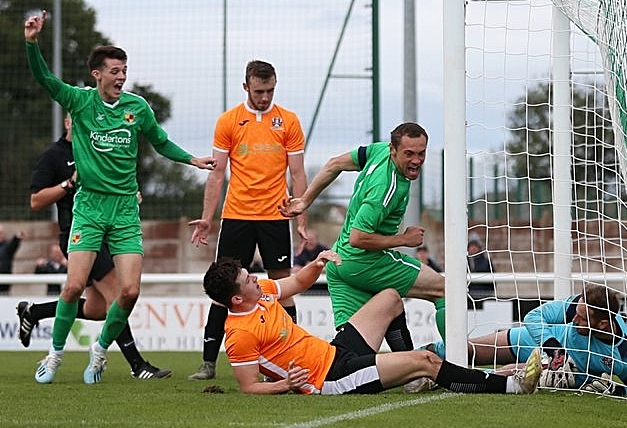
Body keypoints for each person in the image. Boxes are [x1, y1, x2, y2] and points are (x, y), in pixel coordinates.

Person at [25, 10, 215, 385]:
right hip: (91, 206)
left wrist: (192, 158)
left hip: (126, 208)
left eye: (124, 70)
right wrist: (32, 43)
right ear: (97, 74)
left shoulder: (137, 108)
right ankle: (55, 354)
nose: (121, 76)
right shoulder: (79, 101)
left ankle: (99, 352)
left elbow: (160, 142)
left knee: (129, 292)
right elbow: (45, 78)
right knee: (74, 286)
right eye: (114, 70)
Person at [201, 253, 543, 395]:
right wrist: (285, 384)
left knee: (391, 297)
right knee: (426, 361)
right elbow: (248, 387)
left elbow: (296, 284)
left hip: (333, 353)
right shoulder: (239, 333)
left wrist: (318, 264)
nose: (255, 279)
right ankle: (513, 387)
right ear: (236, 299)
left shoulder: (261, 293)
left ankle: (410, 377)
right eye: (247, 279)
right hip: (330, 379)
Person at [19, 113, 171, 379]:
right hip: (78, 232)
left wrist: (127, 192)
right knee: (118, 293)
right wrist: (70, 182)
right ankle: (137, 365)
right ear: (68, 122)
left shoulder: (99, 147)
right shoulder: (54, 156)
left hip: (109, 231)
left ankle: (34, 311)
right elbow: (35, 201)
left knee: (97, 309)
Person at [279, 123, 446, 355]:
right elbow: (359, 238)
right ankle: (457, 360)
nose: (417, 160)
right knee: (444, 289)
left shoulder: (377, 151)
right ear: (394, 150)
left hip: (340, 262)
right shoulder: (386, 189)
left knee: (354, 353)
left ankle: (409, 373)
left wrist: (305, 200)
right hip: (364, 261)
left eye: (421, 153)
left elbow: (334, 164)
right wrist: (403, 240)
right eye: (409, 154)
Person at [188, 60, 308, 380]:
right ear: (246, 87)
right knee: (223, 286)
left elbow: (297, 173)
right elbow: (216, 174)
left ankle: (291, 357)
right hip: (237, 215)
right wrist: (206, 219)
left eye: (270, 91)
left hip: (275, 216)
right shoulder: (229, 121)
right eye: (259, 91)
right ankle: (208, 362)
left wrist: (301, 216)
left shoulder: (289, 121)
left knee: (283, 285)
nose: (265, 97)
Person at [428, 283, 627, 398]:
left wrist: (619, 392)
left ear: (603, 324)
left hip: (563, 372)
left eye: (581, 318)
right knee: (464, 351)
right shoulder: (576, 306)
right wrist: (554, 348)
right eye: (576, 312)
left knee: (509, 374)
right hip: (539, 341)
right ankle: (416, 359)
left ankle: (441, 379)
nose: (574, 319)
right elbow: (533, 317)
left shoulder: (624, 354)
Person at [0, 225, 25, 295]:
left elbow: (12, 245)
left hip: (4, 282)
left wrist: (17, 238)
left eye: (1, 233)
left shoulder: (6, 247)